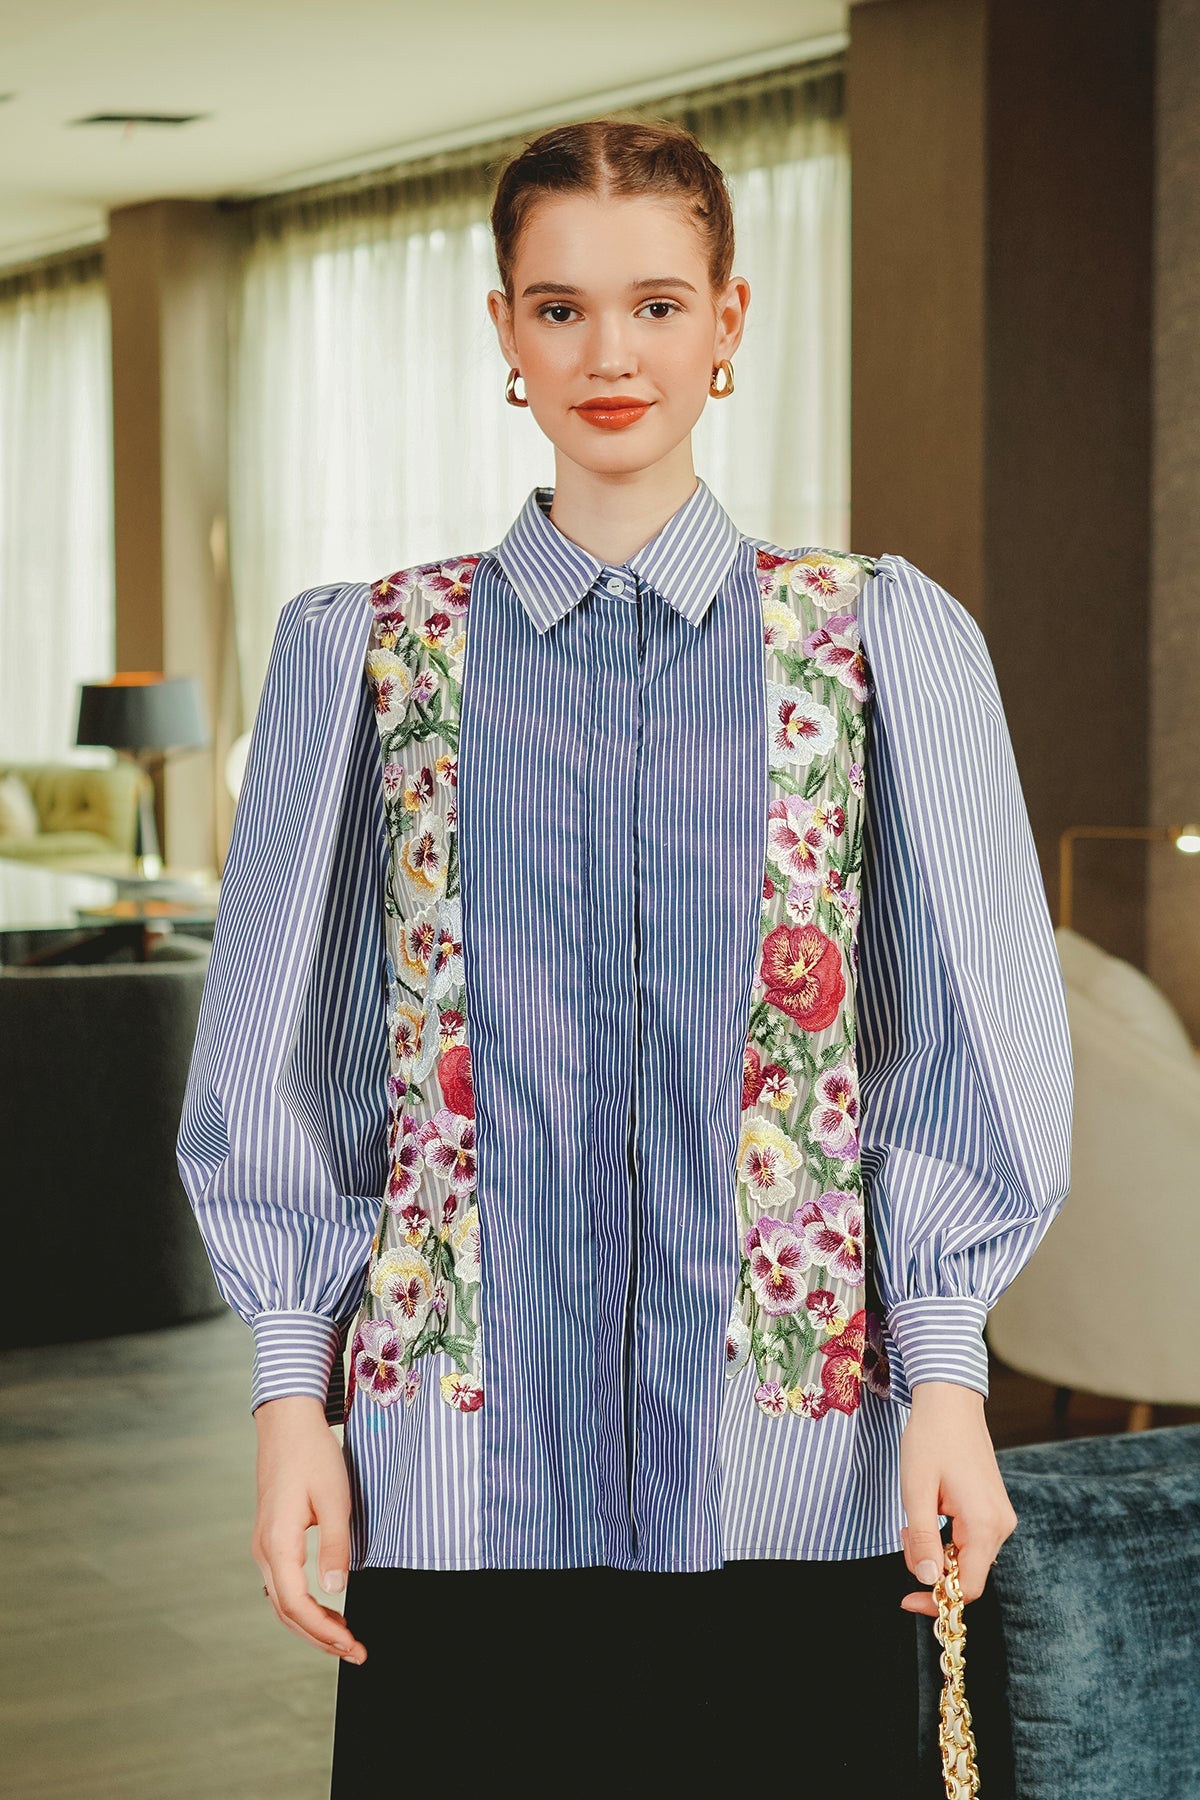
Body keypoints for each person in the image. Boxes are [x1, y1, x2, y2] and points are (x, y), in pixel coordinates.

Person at [177, 116, 1072, 1794]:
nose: (612, 354)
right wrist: (292, 1398)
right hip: (456, 1485)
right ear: (504, 331)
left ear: (729, 319)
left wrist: (948, 1374)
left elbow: (959, 1046)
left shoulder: (878, 641)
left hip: (796, 1476)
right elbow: (286, 1063)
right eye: (562, 307)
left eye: (658, 304)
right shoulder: (365, 657)